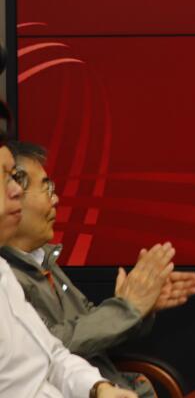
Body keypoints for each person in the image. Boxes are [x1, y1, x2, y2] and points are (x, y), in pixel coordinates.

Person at [2, 142, 195, 398]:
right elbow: (48, 348)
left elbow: (59, 348)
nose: (55, 199)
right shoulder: (11, 272)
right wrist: (126, 309)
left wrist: (139, 307)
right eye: (46, 188)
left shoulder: (37, 261)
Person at [0, 135, 138, 398]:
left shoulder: (5, 272)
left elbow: (52, 354)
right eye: (6, 177)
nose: (16, 190)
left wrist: (98, 389)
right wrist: (128, 309)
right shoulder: (12, 270)